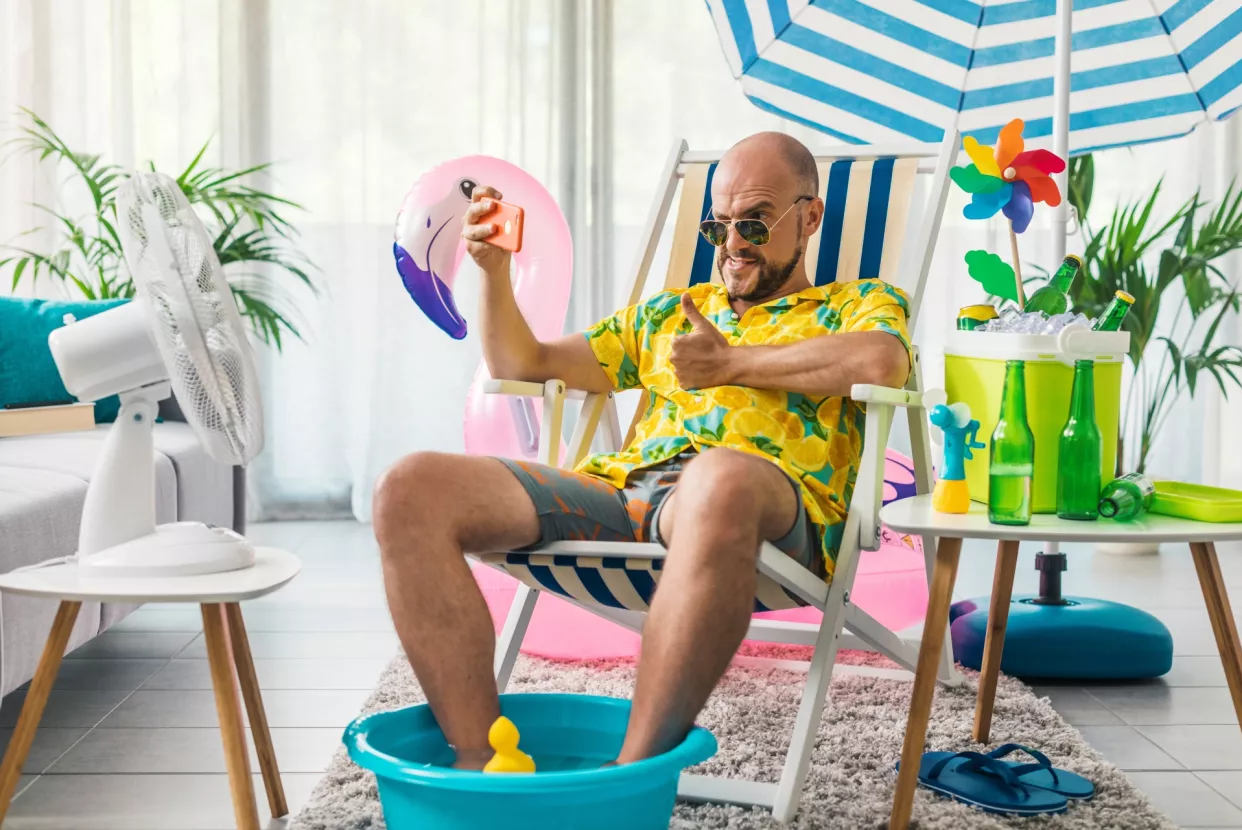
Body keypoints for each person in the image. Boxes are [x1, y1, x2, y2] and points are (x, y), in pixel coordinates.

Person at [373, 131, 913, 768]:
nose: (735, 244)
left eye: (756, 224)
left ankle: (627, 780)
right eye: (719, 228)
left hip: (761, 507)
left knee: (719, 480)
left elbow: (882, 360)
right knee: (409, 489)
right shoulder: (670, 314)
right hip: (626, 496)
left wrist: (731, 363)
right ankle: (482, 759)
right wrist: (493, 275)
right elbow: (526, 361)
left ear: (811, 217)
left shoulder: (858, 303)